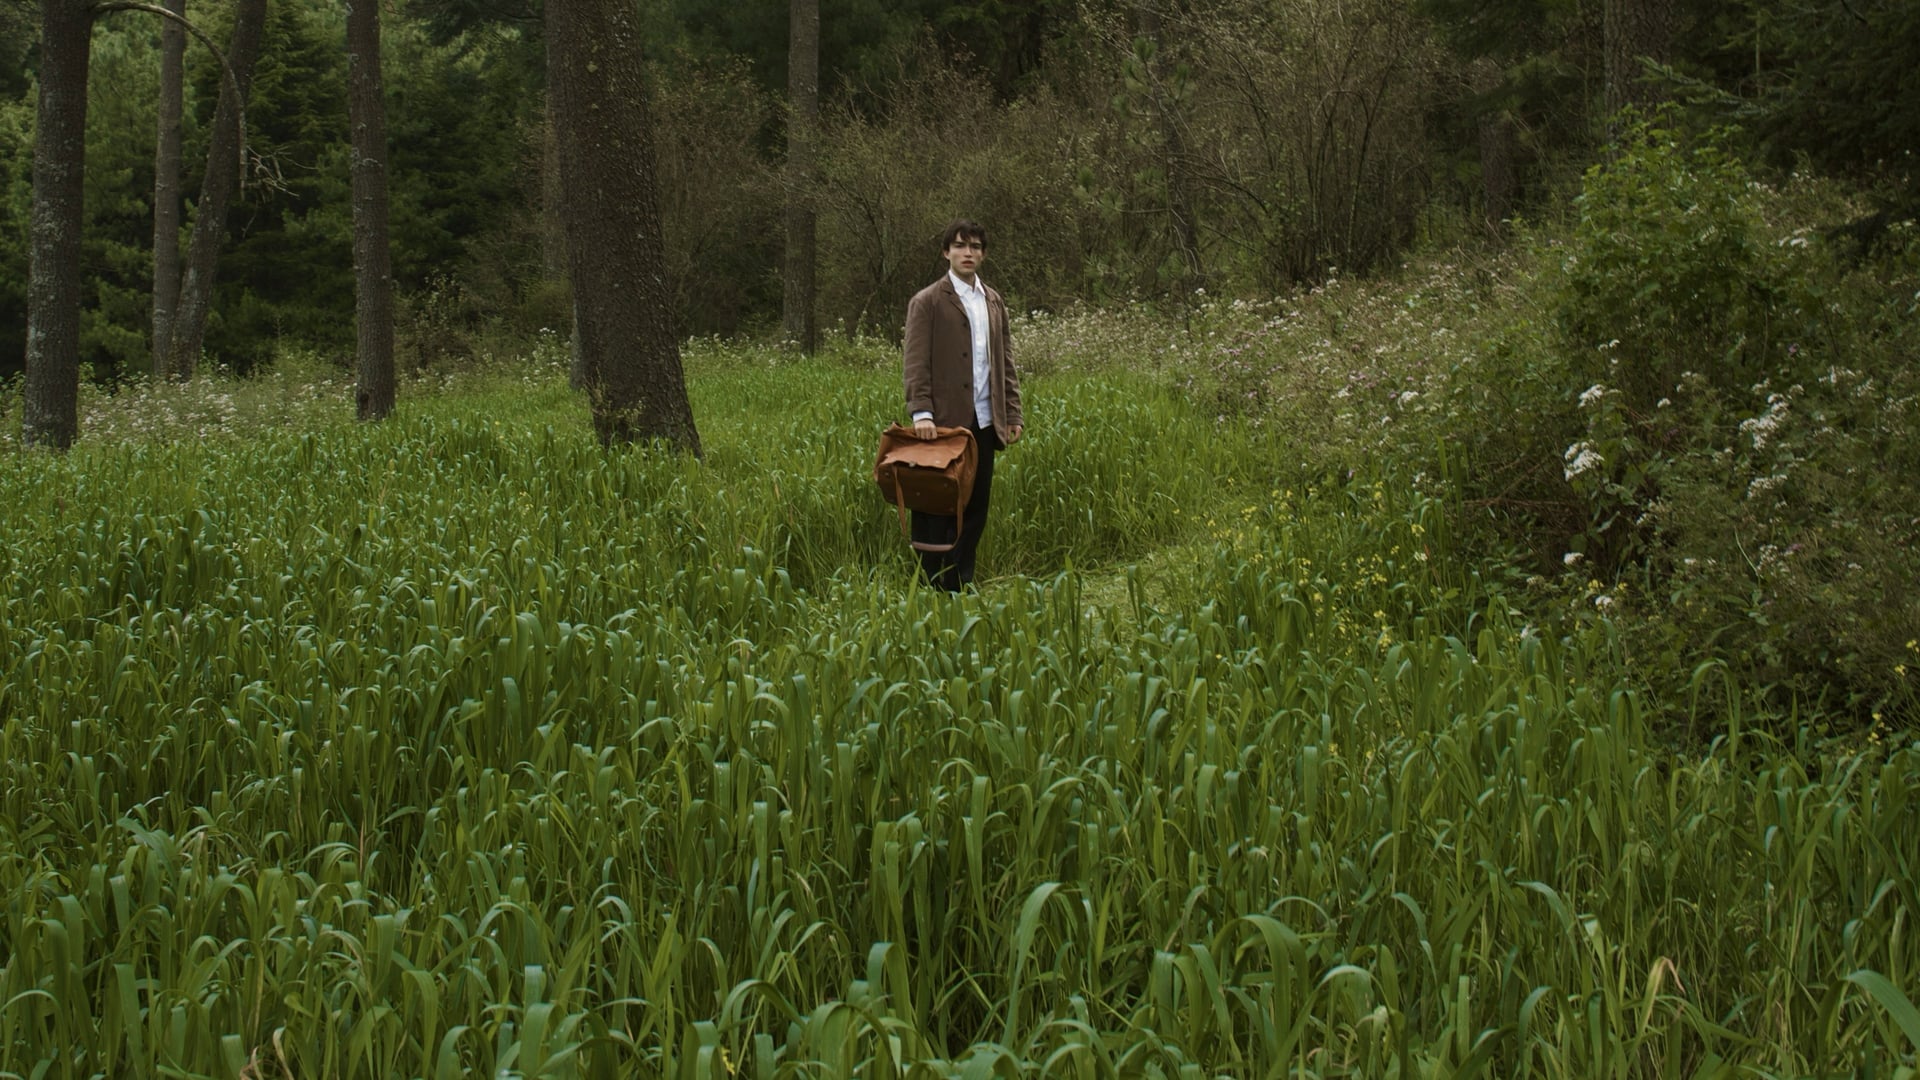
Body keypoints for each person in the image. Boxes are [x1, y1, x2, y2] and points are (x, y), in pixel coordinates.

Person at [901, 219, 1024, 591]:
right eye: (959, 246)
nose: (967, 253)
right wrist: (921, 412)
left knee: (975, 509)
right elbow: (915, 361)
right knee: (938, 508)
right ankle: (933, 586)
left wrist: (1012, 412)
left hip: (985, 423)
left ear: (983, 254)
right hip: (942, 425)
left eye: (974, 247)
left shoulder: (993, 300)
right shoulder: (928, 301)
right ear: (946, 252)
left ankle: (960, 582)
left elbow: (1005, 361)